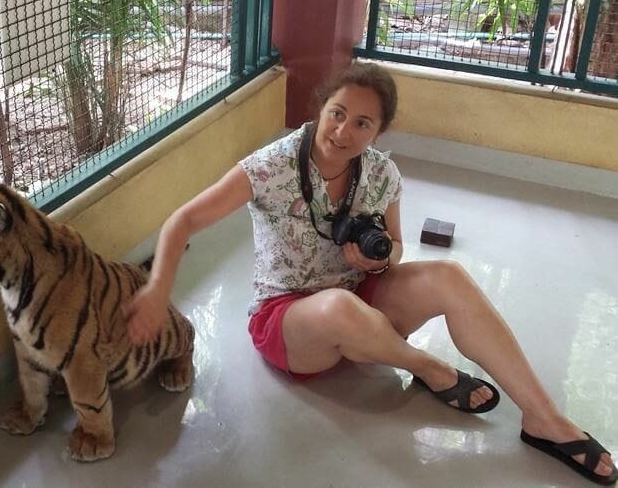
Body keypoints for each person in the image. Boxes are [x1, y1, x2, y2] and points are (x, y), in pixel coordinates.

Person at [124, 62, 616, 485]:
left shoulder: (381, 172)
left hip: (361, 302)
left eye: (362, 123)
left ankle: (544, 418)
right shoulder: (271, 167)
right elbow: (183, 221)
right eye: (337, 113)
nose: (343, 131)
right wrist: (158, 289)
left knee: (448, 275)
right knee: (340, 308)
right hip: (291, 324)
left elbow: (396, 247)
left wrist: (377, 261)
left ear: (379, 131)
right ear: (321, 107)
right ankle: (426, 367)